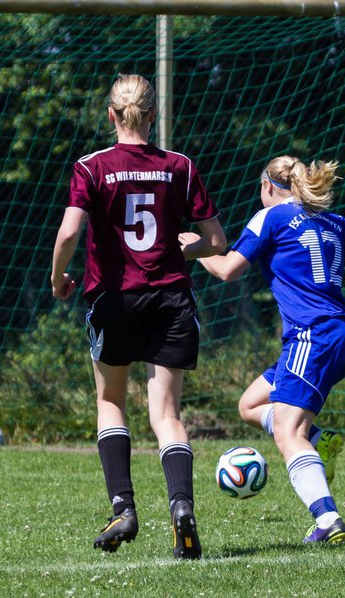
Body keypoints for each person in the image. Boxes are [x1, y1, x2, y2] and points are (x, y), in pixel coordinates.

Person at [50, 74, 227, 560]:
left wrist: (56, 277)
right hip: (171, 298)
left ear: (111, 115)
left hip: (114, 299)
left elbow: (69, 234)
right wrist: (183, 252)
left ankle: (124, 507)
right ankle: (182, 508)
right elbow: (217, 243)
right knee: (166, 413)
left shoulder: (90, 167)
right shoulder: (180, 166)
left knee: (110, 402)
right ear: (153, 116)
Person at [189, 156, 345, 544]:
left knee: (286, 429)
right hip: (341, 335)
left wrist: (191, 248)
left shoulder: (271, 217)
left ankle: (327, 518)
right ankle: (319, 441)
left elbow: (227, 269)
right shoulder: (328, 219)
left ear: (268, 187)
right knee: (250, 404)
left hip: (311, 336)